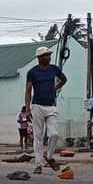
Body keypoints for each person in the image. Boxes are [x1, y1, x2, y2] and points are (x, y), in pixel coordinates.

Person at [24, 45, 67, 174]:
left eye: (49, 55)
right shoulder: (32, 72)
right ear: (39, 57)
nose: (49, 57)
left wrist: (55, 88)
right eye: (46, 55)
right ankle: (38, 164)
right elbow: (28, 91)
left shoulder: (54, 69)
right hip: (37, 106)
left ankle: (49, 156)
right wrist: (27, 109)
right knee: (38, 136)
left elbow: (64, 79)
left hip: (51, 106)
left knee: (53, 134)